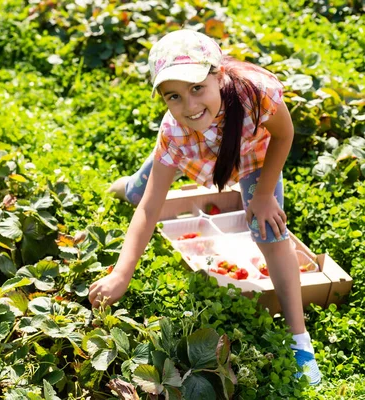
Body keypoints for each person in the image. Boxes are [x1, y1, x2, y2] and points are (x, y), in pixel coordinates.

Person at [88, 29, 322, 385]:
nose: (189, 105)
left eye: (197, 88)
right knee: (142, 192)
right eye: (174, 96)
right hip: (195, 150)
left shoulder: (256, 94)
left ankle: (300, 342)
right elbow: (151, 209)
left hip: (254, 157)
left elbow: (284, 134)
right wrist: (122, 273)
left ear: (218, 75)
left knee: (269, 230)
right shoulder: (174, 132)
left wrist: (262, 196)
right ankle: (128, 187)